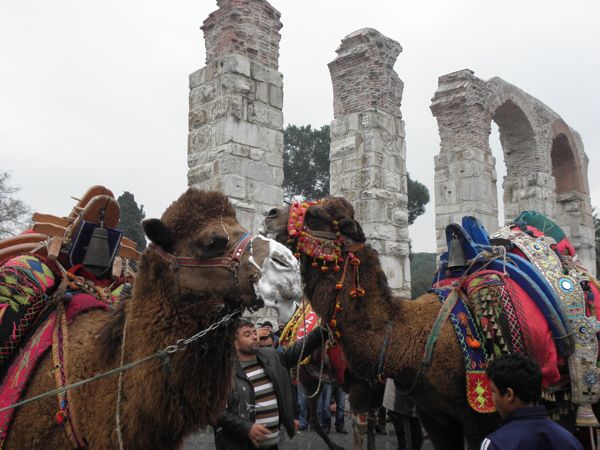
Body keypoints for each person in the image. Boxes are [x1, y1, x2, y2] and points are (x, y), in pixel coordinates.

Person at [214, 318, 326, 449]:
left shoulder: (271, 357)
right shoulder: (223, 372)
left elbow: (298, 349)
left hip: (272, 445)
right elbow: (215, 412)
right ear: (234, 342)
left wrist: (322, 330)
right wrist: (247, 428)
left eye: (254, 333)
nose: (255, 337)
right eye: (247, 334)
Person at [480, 353, 583, 450]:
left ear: (509, 394)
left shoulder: (495, 443)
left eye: (493, 392)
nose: (492, 399)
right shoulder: (569, 441)